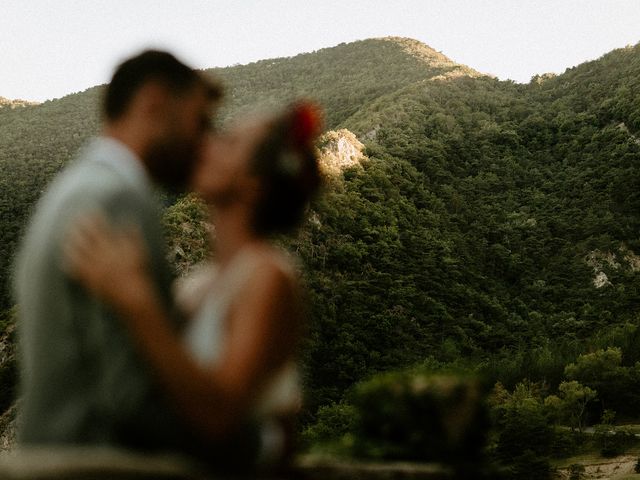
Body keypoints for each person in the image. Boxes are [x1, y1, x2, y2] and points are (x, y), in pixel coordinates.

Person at [63, 102, 323, 469]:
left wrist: (136, 301)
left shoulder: (268, 276)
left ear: (253, 185)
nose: (207, 145)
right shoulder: (198, 282)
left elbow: (219, 417)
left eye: (229, 142)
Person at [14, 50, 221, 453]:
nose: (204, 140)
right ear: (155, 103)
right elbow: (131, 398)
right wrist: (249, 443)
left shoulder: (70, 189)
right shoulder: (117, 200)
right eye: (199, 121)